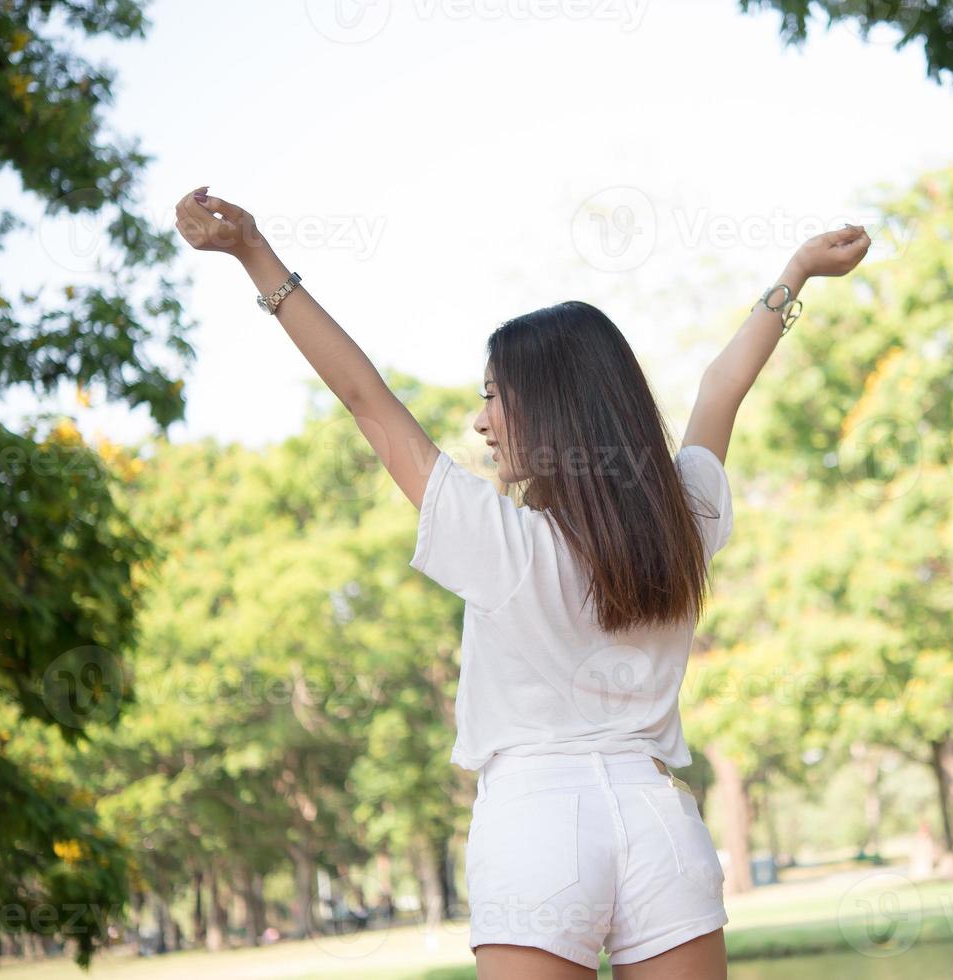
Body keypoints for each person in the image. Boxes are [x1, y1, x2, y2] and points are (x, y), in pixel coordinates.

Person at [174, 187, 871, 978]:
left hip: (536, 826)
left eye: (492, 397)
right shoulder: (686, 521)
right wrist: (797, 273)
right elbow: (721, 388)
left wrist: (253, 255)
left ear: (549, 409)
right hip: (659, 823)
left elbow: (364, 398)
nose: (480, 422)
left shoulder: (501, 543)